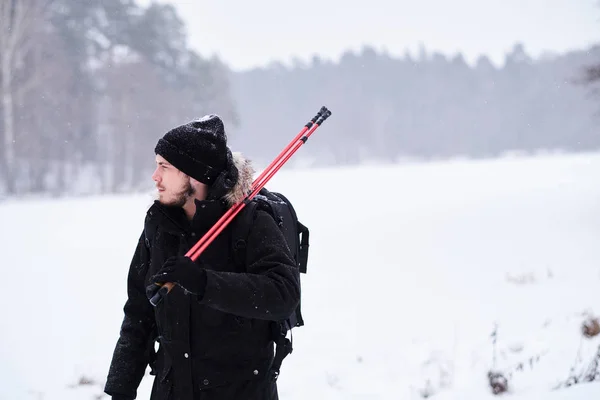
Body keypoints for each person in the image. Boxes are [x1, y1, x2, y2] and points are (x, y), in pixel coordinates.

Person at [104, 114, 301, 400]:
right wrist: (121, 388)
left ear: (193, 174)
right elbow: (139, 311)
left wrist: (204, 283)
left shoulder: (251, 222)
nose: (154, 176)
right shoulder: (160, 225)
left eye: (164, 167)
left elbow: (283, 294)